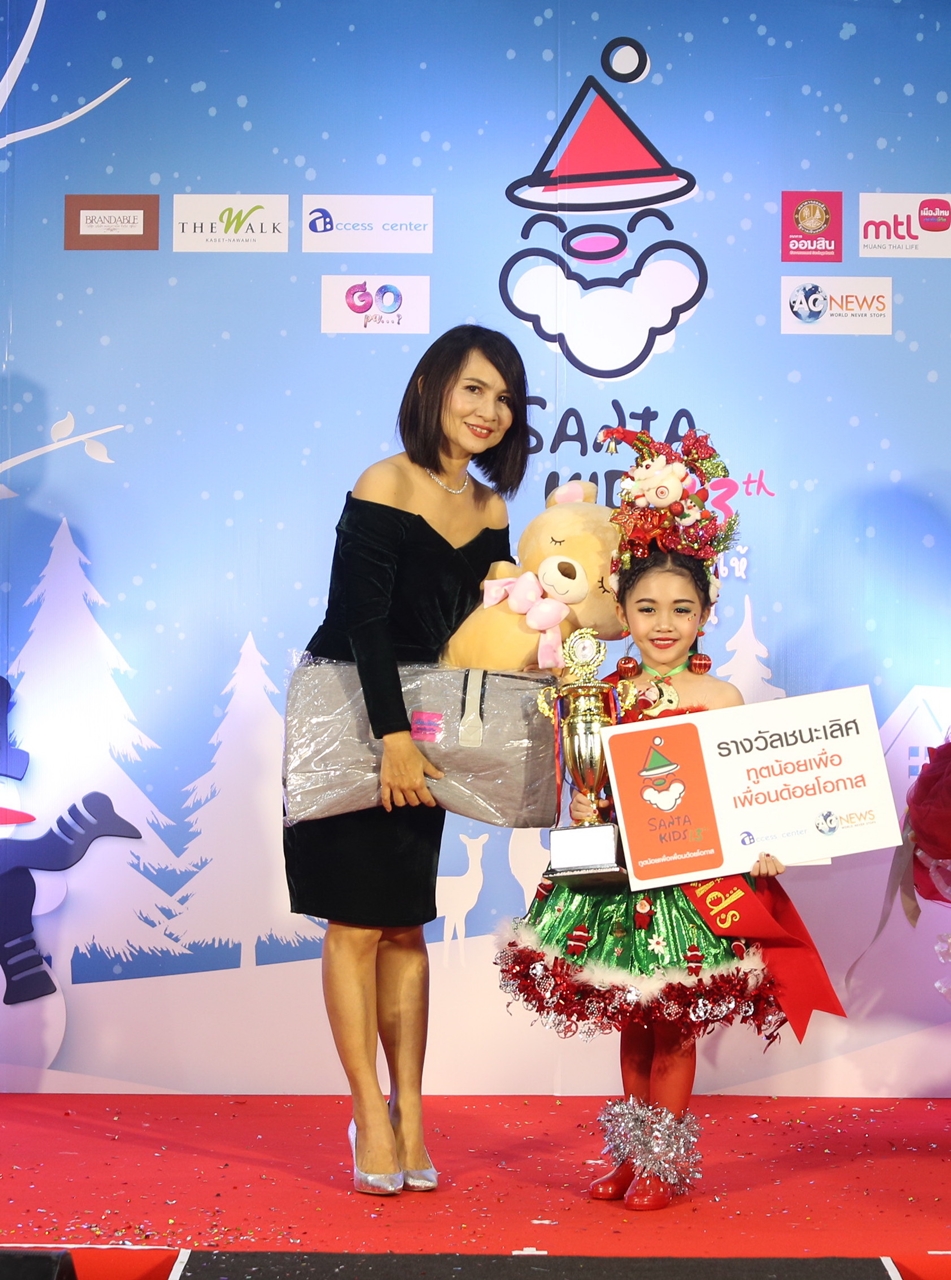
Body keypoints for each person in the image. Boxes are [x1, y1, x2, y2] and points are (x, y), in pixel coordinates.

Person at [496, 426, 844, 1212]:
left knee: (674, 1025)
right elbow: (586, 778)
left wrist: (765, 845)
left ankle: (663, 1165)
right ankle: (628, 1156)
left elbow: (748, 792)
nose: (662, 624)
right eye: (646, 607)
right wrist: (583, 797)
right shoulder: (602, 694)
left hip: (691, 887)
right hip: (618, 880)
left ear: (705, 614)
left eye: (680, 609)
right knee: (631, 1018)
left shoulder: (719, 698)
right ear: (621, 610)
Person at [284, 325, 530, 1195]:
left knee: (403, 923)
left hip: (424, 726)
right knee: (355, 922)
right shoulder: (383, 481)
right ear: (431, 388)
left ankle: (411, 1113)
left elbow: (479, 638)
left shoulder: (492, 510)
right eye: (474, 389)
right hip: (350, 715)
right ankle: (368, 1112)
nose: (489, 411)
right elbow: (362, 620)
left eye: (505, 399)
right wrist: (390, 737)